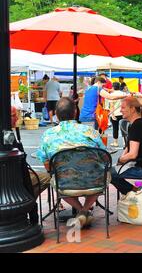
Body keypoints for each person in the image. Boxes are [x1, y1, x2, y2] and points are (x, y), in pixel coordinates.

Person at [36, 97, 107, 228]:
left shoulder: (47, 135)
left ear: (56, 114)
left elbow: (46, 163)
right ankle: (84, 211)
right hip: (94, 181)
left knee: (54, 179)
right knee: (105, 174)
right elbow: (105, 157)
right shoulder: (90, 131)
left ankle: (81, 211)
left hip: (65, 183)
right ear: (75, 112)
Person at [110, 97, 142, 195]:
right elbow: (128, 148)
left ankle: (134, 192)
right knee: (111, 171)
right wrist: (121, 160)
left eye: (123, 107)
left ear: (132, 109)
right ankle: (134, 191)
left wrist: (120, 160)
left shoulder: (137, 126)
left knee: (108, 174)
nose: (120, 110)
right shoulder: (136, 124)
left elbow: (132, 154)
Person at [105, 82, 127, 147]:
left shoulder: (112, 95)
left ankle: (115, 142)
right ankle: (125, 142)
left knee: (115, 128)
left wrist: (113, 115)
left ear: (113, 87)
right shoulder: (124, 93)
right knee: (124, 128)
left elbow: (111, 106)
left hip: (115, 113)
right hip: (123, 113)